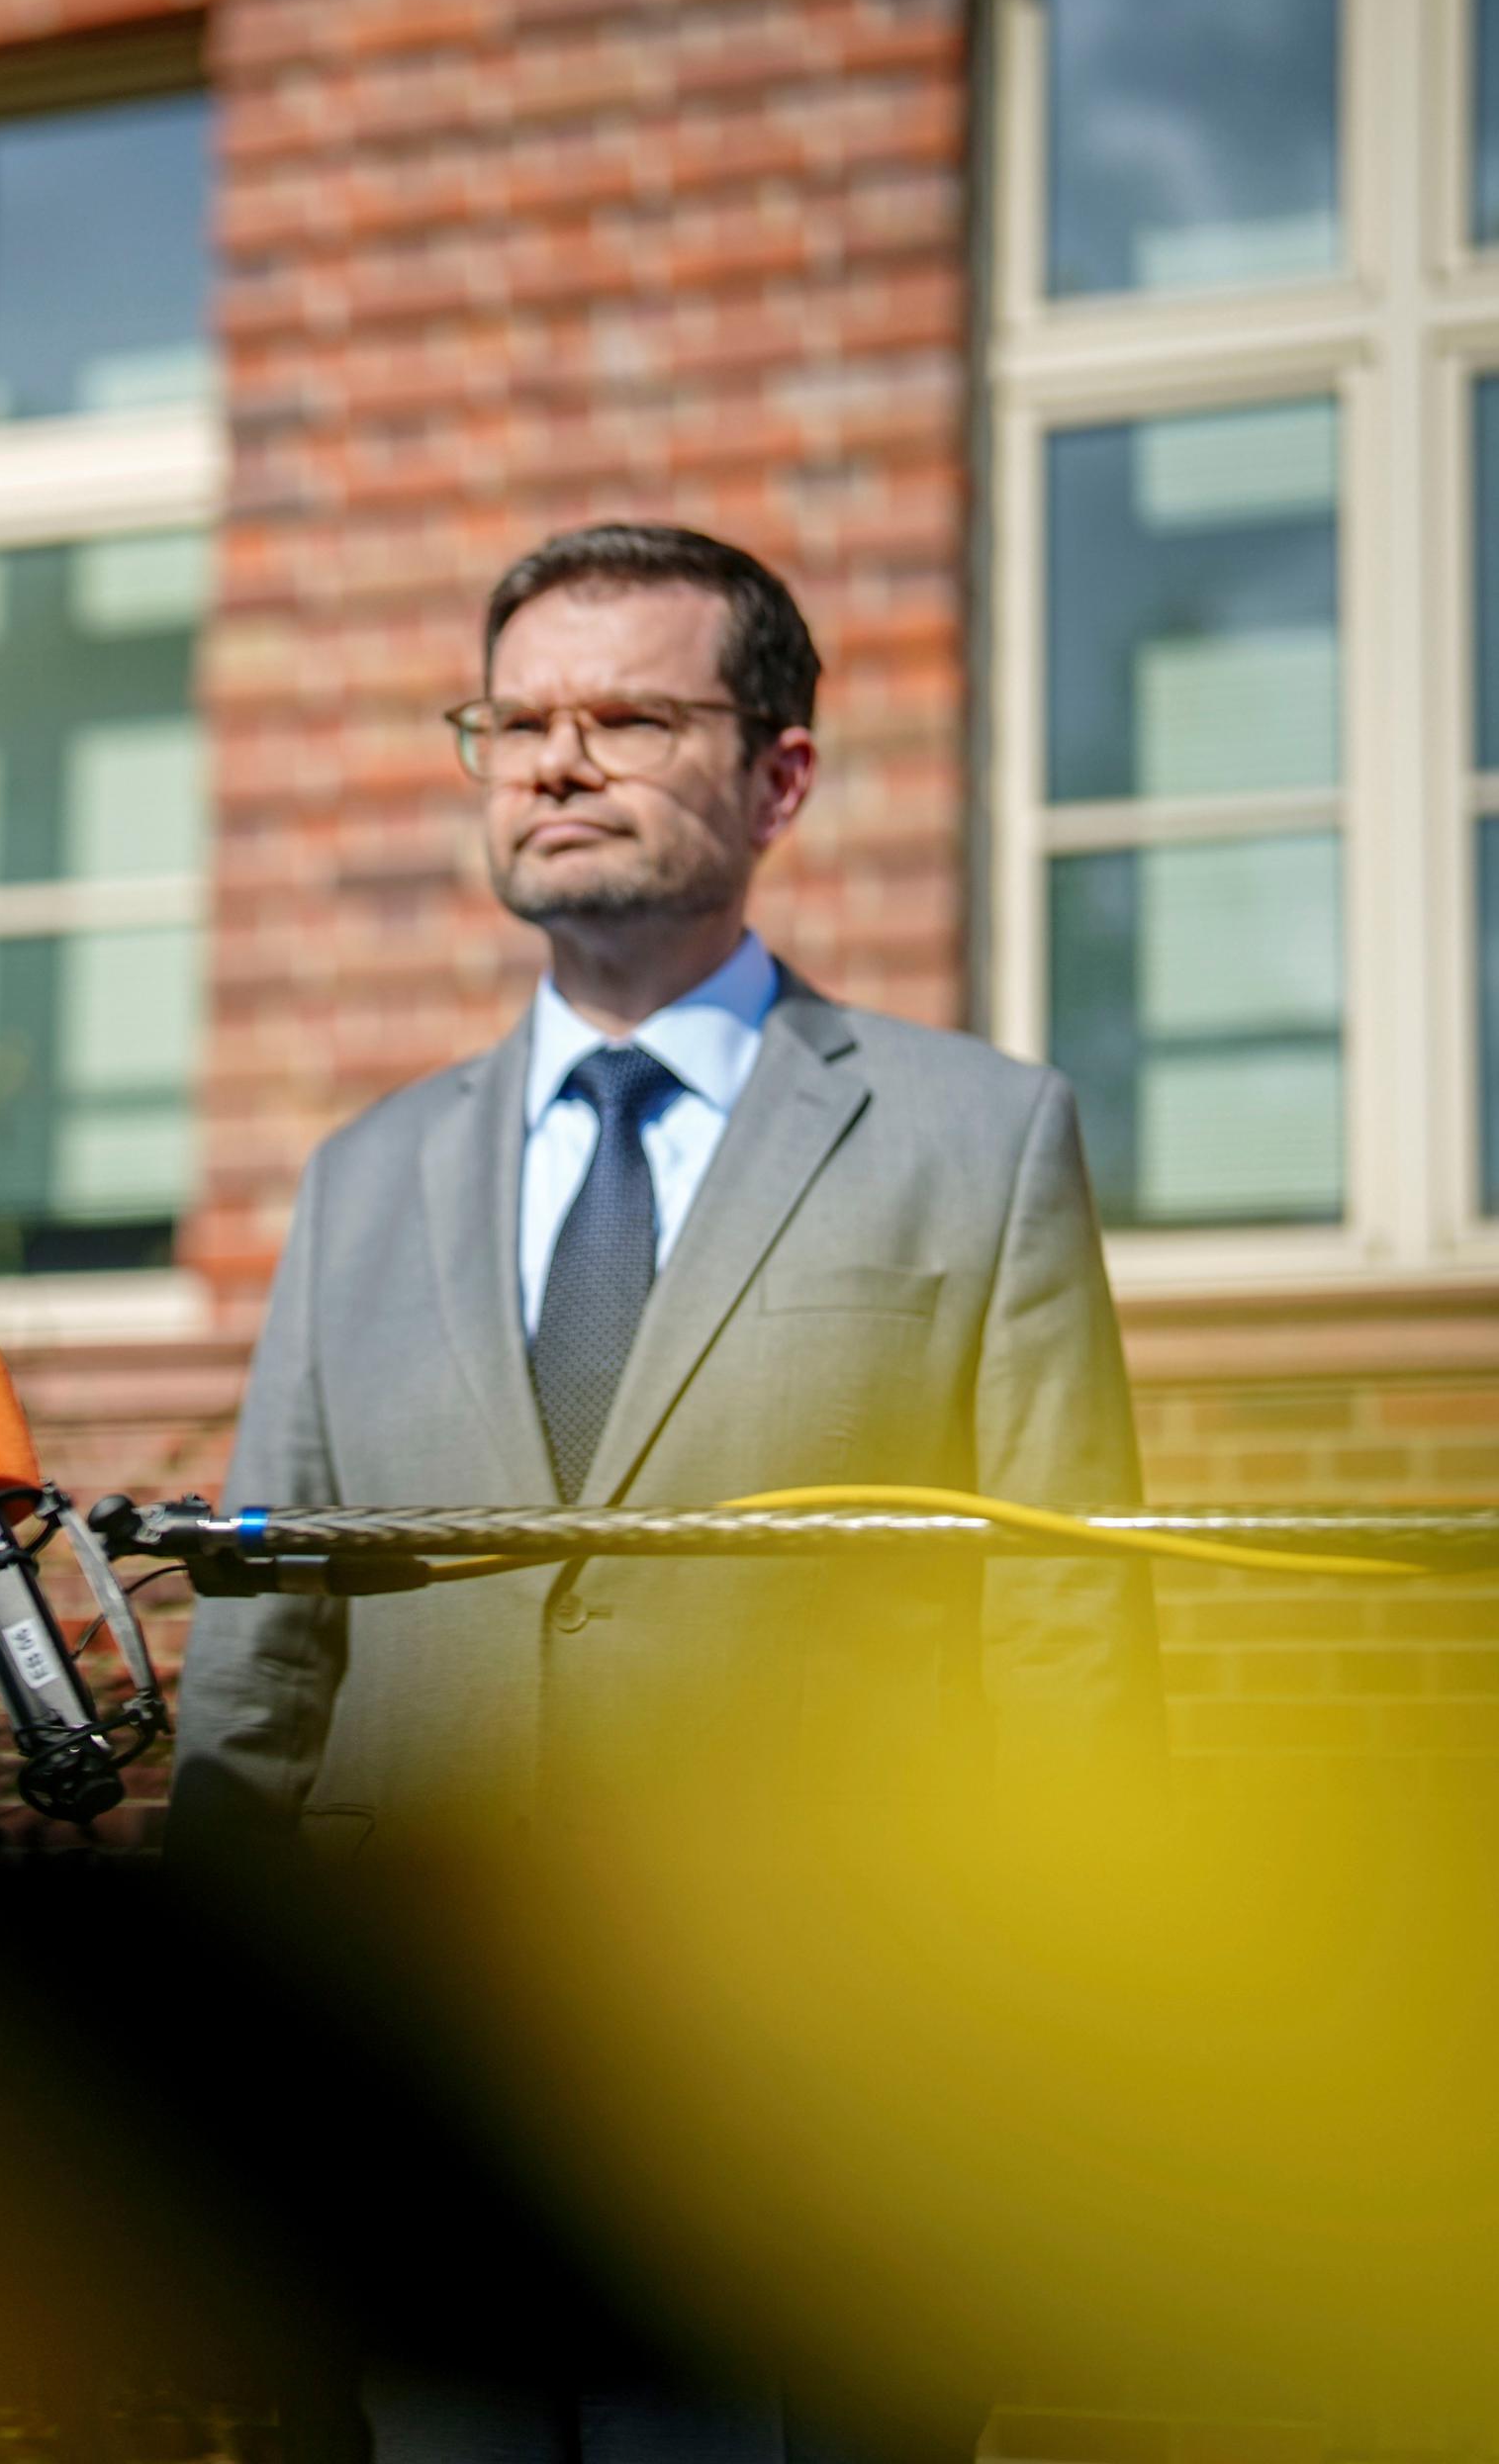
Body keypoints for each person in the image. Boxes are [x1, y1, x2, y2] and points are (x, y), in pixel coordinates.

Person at [169, 524, 1161, 1866]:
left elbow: (1067, 1631)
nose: (556, 761)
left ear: (779, 780)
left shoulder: (983, 1141)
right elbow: (265, 1644)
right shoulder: (362, 1176)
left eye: (629, 717)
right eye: (516, 722)